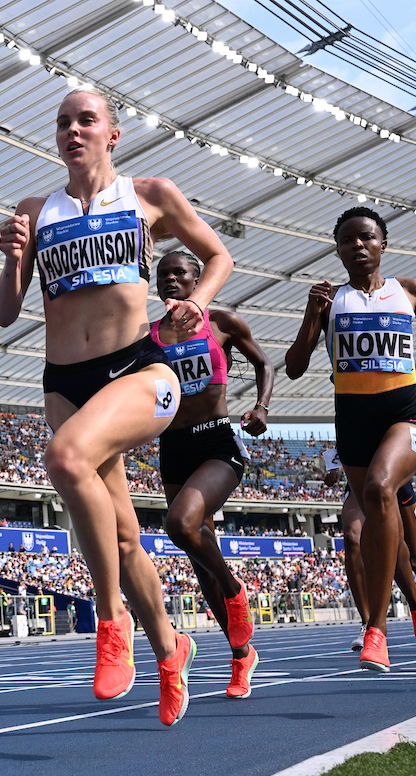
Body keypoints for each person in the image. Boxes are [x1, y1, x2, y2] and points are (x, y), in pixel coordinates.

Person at [0, 87, 233, 724]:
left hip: (139, 371)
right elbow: (6, 312)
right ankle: (170, 647)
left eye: (87, 120)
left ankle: (110, 621)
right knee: (124, 536)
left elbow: (218, 254)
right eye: (64, 122)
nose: (74, 130)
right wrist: (13, 260)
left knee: (66, 460)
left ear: (112, 134)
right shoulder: (34, 211)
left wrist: (199, 303)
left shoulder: (150, 195)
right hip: (63, 381)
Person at [285, 206, 416, 672]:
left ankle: (375, 632)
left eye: (366, 238)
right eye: (347, 240)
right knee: (381, 524)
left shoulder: (409, 291)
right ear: (337, 249)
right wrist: (311, 315)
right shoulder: (329, 298)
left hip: (406, 414)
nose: (357, 246)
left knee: (380, 489)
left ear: (383, 244)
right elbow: (295, 368)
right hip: (352, 421)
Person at [151, 250, 273, 699]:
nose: (170, 280)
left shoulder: (220, 322)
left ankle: (234, 589)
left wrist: (261, 406)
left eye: (179, 273)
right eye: (163, 274)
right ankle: (242, 657)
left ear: (198, 279)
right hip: (173, 448)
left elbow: (264, 363)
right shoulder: (147, 336)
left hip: (217, 442)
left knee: (180, 525)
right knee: (198, 556)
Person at [322, 448, 416, 652]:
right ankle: (369, 625)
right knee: (352, 539)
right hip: (362, 477)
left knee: (414, 560)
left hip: (396, 477)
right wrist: (334, 468)